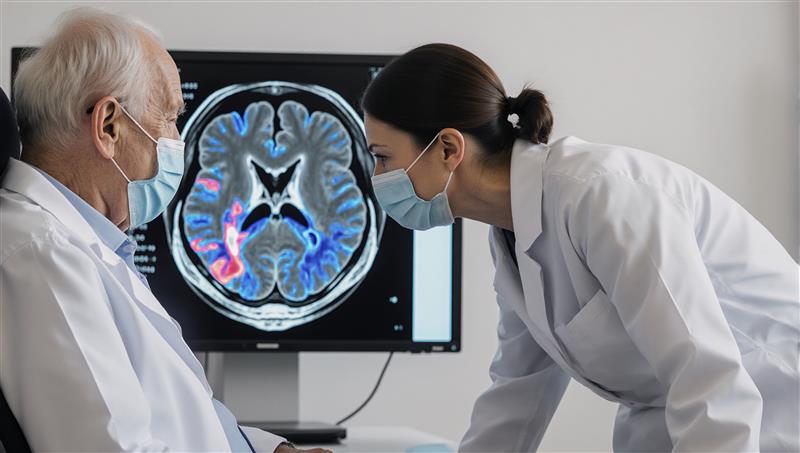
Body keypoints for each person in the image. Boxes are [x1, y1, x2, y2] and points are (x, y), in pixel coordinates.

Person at [361, 43, 799, 452]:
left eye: (382, 156)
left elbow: (708, 378)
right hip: (675, 423)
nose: (377, 175)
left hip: (773, 411)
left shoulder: (601, 196)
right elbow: (518, 389)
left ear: (447, 148)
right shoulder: (513, 234)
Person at [0, 8, 329, 453]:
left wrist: (269, 450)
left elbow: (182, 420)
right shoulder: (43, 254)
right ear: (109, 126)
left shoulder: (85, 245)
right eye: (171, 116)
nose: (179, 141)